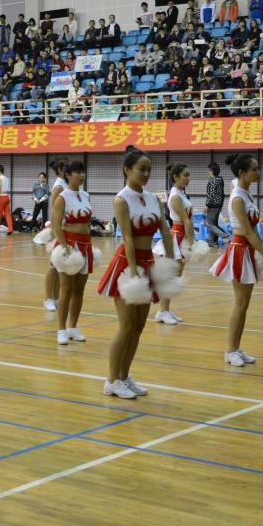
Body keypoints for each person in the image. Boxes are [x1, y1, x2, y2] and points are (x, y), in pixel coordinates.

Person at [97, 147, 174, 399]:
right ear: (127, 169)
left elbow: (165, 231)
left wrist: (170, 263)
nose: (146, 174)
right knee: (127, 325)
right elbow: (128, 238)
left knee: (139, 327)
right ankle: (111, 380)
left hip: (148, 262)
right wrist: (133, 273)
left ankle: (124, 375)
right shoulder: (121, 199)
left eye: (149, 170)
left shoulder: (154, 198)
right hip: (127, 265)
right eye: (142, 169)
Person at [209, 154, 263, 367]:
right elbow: (247, 232)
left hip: (248, 250)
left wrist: (261, 253)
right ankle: (230, 350)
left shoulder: (246, 195)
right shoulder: (238, 198)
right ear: (242, 173)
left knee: (244, 304)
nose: (258, 172)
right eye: (254, 169)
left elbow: (254, 230)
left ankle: (236, 348)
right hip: (239, 250)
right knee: (240, 304)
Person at [52, 160, 94, 346]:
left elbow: (87, 222)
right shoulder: (62, 197)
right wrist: (65, 248)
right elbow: (56, 224)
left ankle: (73, 327)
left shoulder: (86, 195)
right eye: (78, 172)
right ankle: (61, 329)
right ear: (68, 175)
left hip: (85, 246)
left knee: (79, 290)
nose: (82, 175)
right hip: (69, 246)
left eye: (83, 172)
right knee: (66, 289)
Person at [155, 163, 195, 326]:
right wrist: (193, 243)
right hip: (177, 237)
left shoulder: (181, 193)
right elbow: (186, 221)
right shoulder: (176, 196)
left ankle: (165, 310)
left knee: (175, 276)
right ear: (175, 177)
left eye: (189, 175)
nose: (188, 178)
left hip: (181, 237)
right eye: (185, 175)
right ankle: (162, 311)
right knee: (171, 276)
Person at [42, 157, 69, 311]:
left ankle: (56, 297)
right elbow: (54, 212)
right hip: (59, 230)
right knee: (53, 267)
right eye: (66, 168)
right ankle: (48, 298)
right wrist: (54, 232)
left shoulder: (66, 184)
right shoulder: (59, 186)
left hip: (67, 230)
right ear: (60, 170)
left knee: (60, 267)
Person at [204, 163, 229, 243]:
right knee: (213, 224)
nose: (207, 172)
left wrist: (207, 205)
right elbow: (222, 194)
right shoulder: (220, 180)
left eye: (208, 170)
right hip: (219, 205)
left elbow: (211, 194)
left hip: (213, 205)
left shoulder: (213, 180)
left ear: (212, 171)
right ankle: (213, 242)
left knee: (209, 224)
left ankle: (224, 234)